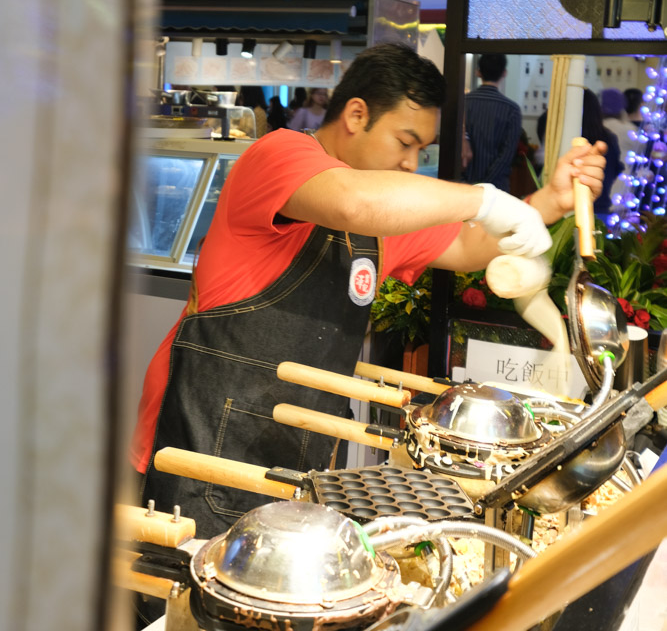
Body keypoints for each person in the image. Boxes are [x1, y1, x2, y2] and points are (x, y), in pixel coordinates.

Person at [131, 43, 606, 542]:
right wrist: (484, 199)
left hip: (293, 443)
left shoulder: (384, 212)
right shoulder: (280, 154)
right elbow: (352, 204)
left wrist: (548, 202)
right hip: (195, 436)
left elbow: (466, 246)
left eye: (421, 149)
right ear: (356, 114)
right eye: (405, 141)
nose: (411, 162)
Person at [463, 53, 522, 191]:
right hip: (497, 189)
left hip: (463, 185)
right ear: (504, 73)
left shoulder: (463, 102)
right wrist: (486, 184)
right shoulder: (512, 109)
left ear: (478, 72)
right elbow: (507, 155)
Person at [582, 88, 622, 216]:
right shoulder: (609, 138)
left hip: (571, 208)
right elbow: (617, 169)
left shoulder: (568, 137)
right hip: (602, 205)